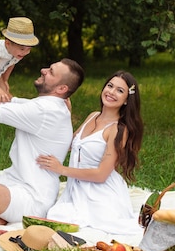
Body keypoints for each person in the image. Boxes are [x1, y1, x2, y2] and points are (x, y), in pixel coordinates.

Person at [0, 59, 85, 225]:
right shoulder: (44, 105)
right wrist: (0, 76)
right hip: (11, 180)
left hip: (32, 198)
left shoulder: (44, 111)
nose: (43, 70)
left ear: (62, 88)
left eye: (51, 72)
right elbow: (4, 101)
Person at [36, 71, 144, 235]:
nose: (111, 92)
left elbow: (101, 174)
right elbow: (70, 144)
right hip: (76, 188)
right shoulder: (93, 116)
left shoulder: (118, 130)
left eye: (120, 91)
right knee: (55, 214)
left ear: (126, 100)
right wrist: (66, 115)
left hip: (100, 191)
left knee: (82, 223)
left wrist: (61, 169)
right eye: (110, 86)